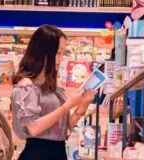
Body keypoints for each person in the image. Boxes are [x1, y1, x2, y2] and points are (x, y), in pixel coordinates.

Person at [11, 25, 96, 160]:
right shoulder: (26, 86)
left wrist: (83, 106)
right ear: (42, 52)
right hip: (37, 154)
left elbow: (64, 127)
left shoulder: (52, 86)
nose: (60, 58)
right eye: (57, 52)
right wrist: (67, 106)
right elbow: (34, 127)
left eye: (62, 53)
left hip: (58, 152)